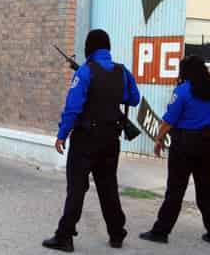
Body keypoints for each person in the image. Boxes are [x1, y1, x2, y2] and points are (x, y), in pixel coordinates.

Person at [42, 29, 140, 252]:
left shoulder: (85, 72)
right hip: (110, 139)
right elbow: (133, 99)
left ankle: (64, 237)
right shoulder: (122, 71)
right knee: (108, 188)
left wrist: (62, 134)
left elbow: (73, 108)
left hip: (86, 139)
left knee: (76, 188)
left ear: (89, 47)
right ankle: (117, 234)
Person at [139, 55, 210, 245]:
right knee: (207, 189)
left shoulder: (183, 91)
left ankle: (161, 232)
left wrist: (159, 139)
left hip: (185, 145)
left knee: (175, 190)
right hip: (209, 144)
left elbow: (169, 120)